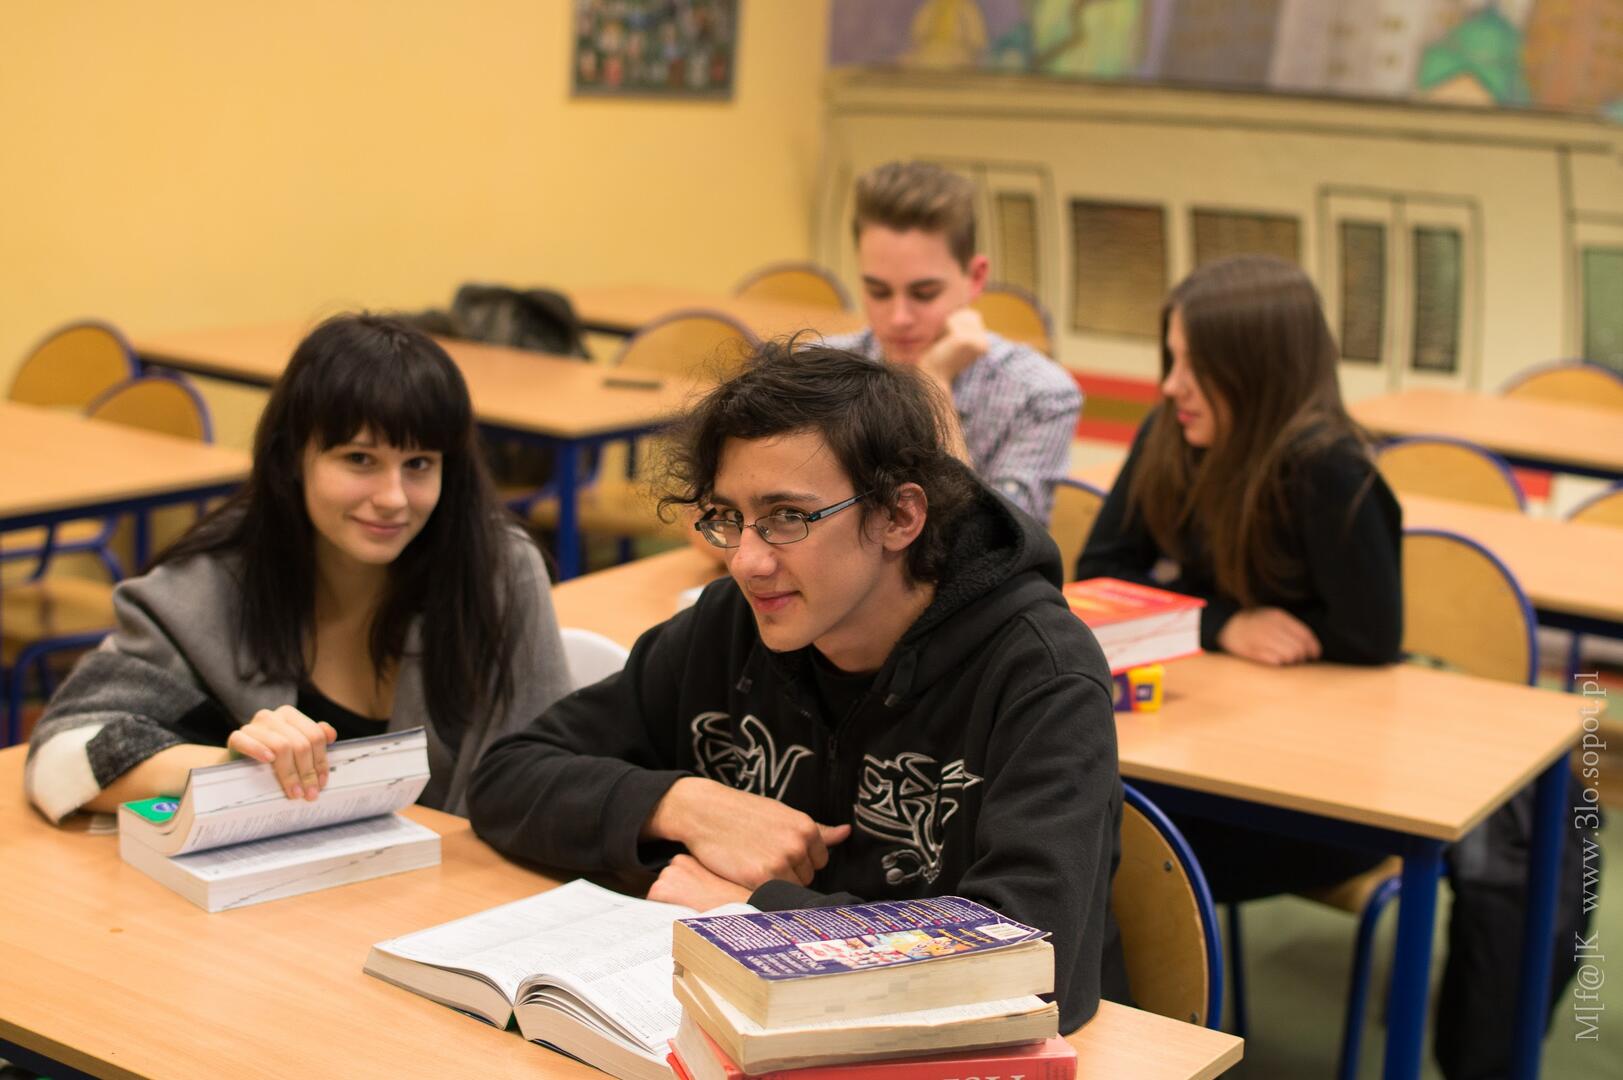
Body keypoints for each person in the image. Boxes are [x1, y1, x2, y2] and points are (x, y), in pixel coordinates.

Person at [468, 341, 1127, 1031]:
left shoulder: (1041, 673)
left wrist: (754, 914)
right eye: (729, 517)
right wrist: (680, 804)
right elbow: (507, 776)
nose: (746, 561)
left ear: (900, 516)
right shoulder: (732, 625)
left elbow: (1030, 964)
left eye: (788, 517)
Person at [25, 314, 571, 823]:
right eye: (359, 459)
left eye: (419, 464)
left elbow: (547, 780)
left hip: (454, 886)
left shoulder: (498, 574)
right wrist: (234, 767)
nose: (393, 497)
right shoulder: (218, 582)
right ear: (292, 457)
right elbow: (61, 756)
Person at [824, 160, 1080, 526]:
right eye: (878, 292)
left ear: (975, 278)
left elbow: (991, 542)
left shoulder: (1041, 396)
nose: (898, 317)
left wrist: (933, 384)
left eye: (924, 293)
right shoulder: (820, 370)